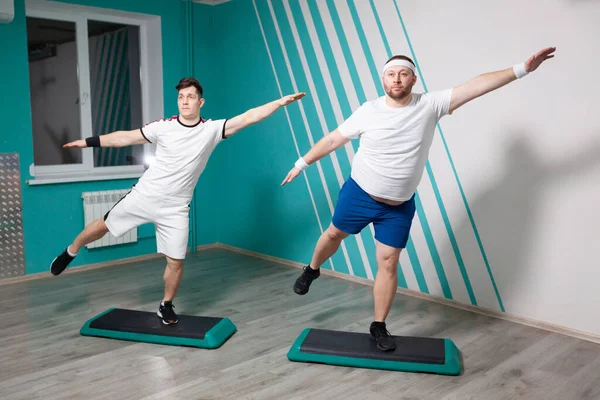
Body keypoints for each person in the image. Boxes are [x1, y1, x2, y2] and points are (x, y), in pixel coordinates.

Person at [281, 47, 556, 351]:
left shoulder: (430, 104)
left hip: (398, 206)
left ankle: (379, 326)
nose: (396, 79)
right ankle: (312, 269)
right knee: (334, 234)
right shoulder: (368, 110)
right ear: (382, 80)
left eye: (403, 74)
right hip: (360, 193)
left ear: (413, 79)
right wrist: (301, 163)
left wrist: (522, 69)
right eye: (390, 74)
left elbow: (476, 86)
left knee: (388, 263)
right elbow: (334, 138)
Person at [50, 77, 305, 325]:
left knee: (176, 261)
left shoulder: (212, 130)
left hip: (176, 208)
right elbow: (124, 137)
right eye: (181, 97)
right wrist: (87, 142)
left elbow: (249, 117)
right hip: (144, 196)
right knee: (103, 226)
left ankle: (166, 304)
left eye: (190, 97)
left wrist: (279, 102)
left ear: (200, 102)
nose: (185, 101)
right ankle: (71, 250)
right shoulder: (163, 127)